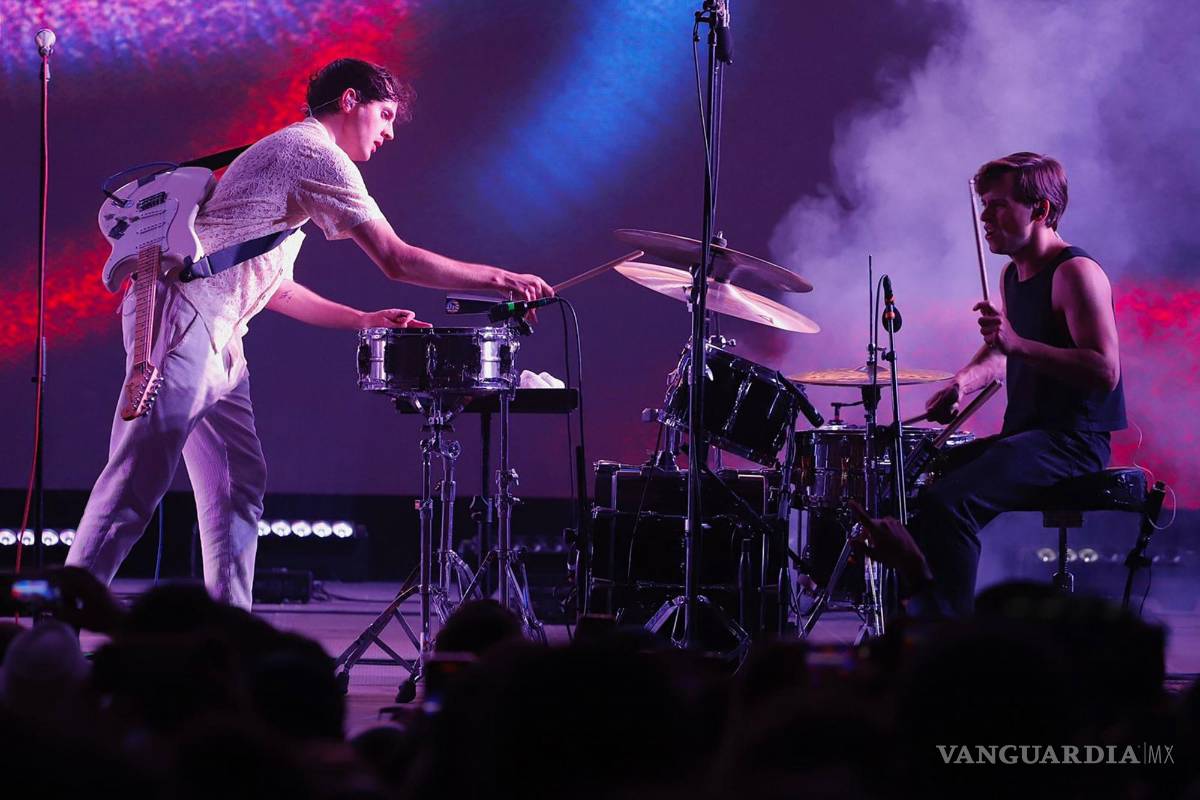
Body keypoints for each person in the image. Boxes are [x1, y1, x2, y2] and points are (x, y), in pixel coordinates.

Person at [67, 58, 554, 609]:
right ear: (350, 101)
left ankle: (227, 631)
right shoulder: (313, 152)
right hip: (184, 323)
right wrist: (501, 280)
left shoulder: (292, 163)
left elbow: (276, 289)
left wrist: (362, 320)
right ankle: (53, 629)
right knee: (133, 485)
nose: (390, 131)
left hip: (220, 334)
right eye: (385, 114)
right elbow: (397, 259)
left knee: (237, 488)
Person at [901, 151, 1126, 616]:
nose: (985, 216)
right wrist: (962, 382)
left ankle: (950, 640)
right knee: (913, 485)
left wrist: (1017, 345)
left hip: (1072, 442)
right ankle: (908, 628)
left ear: (1041, 210)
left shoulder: (1075, 273)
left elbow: (1104, 371)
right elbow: (1003, 350)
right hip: (1027, 435)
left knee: (950, 505)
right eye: (984, 204)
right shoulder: (1013, 272)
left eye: (999, 205)